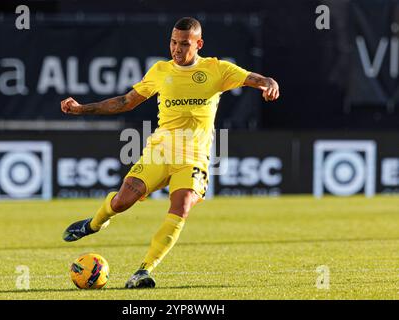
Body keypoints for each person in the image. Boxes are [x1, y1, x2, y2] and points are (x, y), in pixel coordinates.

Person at [60, 17, 280, 289]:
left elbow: (252, 78)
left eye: (184, 43)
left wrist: (268, 82)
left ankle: (143, 271)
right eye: (174, 42)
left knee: (182, 205)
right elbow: (125, 102)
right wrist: (82, 109)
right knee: (121, 202)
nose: (177, 48)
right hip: (160, 152)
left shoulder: (217, 69)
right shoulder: (160, 70)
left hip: (193, 158)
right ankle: (93, 225)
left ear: (198, 44)